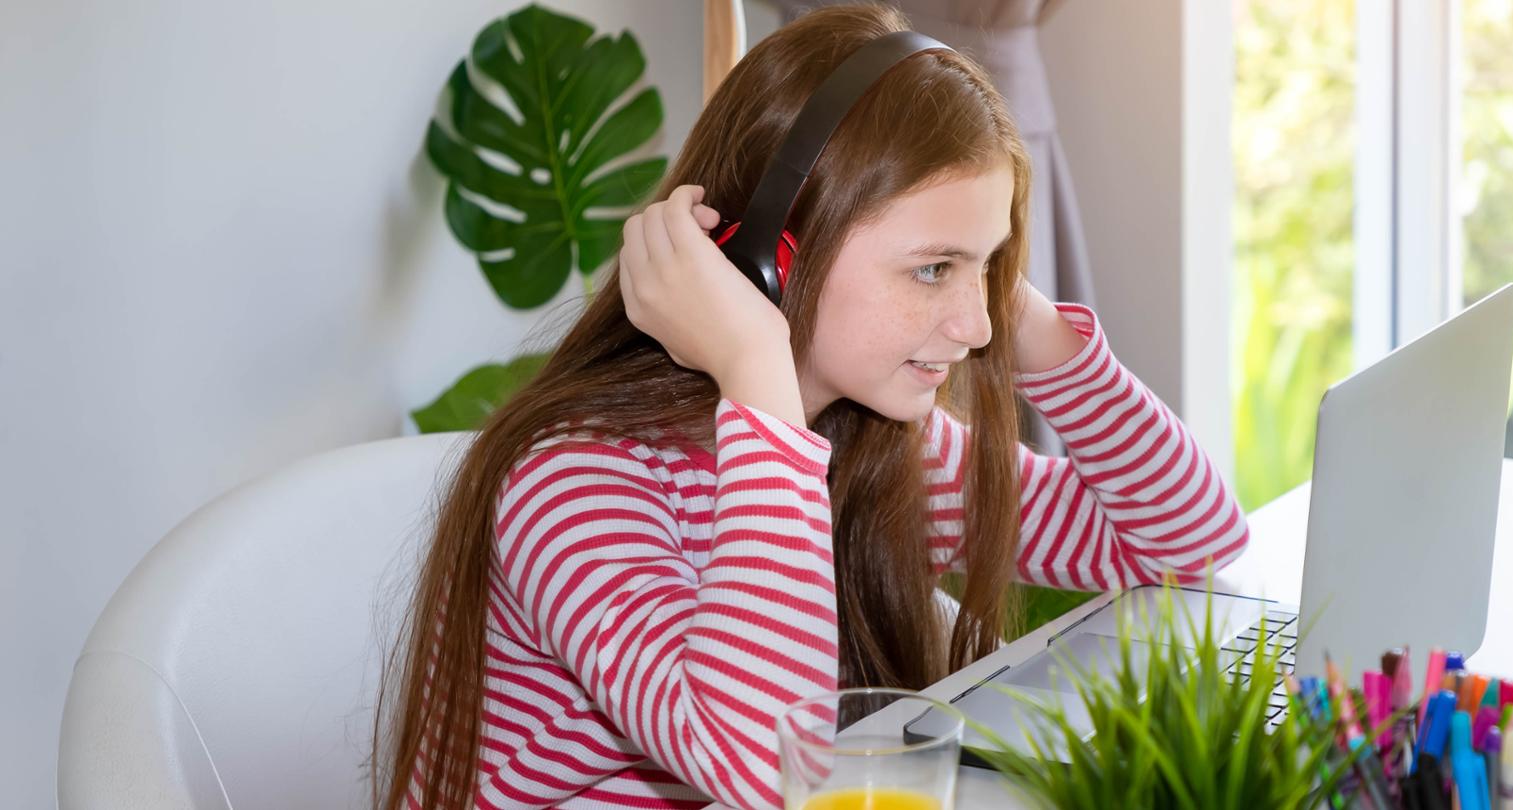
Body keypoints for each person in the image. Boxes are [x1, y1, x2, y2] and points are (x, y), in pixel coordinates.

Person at [373, 4, 1247, 808]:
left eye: (989, 266)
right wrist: (757, 369)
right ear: (772, 261)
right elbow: (761, 770)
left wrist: (1038, 328)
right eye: (933, 268)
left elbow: (1188, 543)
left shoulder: (876, 442)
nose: (977, 325)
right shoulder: (578, 482)